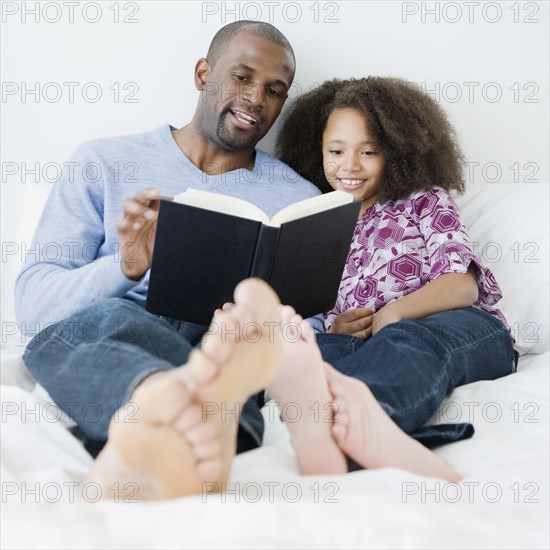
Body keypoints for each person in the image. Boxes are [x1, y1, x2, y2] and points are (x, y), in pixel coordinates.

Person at [17, 20, 320, 458]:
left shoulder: (299, 199)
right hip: (117, 326)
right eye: (242, 77)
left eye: (275, 90)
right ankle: (194, 415)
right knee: (81, 331)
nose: (256, 99)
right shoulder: (103, 161)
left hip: (217, 345)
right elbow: (33, 310)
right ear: (203, 74)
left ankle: (157, 422)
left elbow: (309, 328)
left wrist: (257, 324)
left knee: (226, 367)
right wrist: (123, 267)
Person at [270, 76, 518, 477]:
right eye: (336, 151)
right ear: (318, 150)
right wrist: (339, 326)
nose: (348, 166)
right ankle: (355, 437)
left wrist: (394, 314)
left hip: (458, 326)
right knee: (321, 354)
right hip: (366, 343)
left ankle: (362, 427)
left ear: (398, 152)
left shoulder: (423, 200)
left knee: (406, 339)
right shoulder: (319, 225)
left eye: (368, 152)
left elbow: (462, 283)